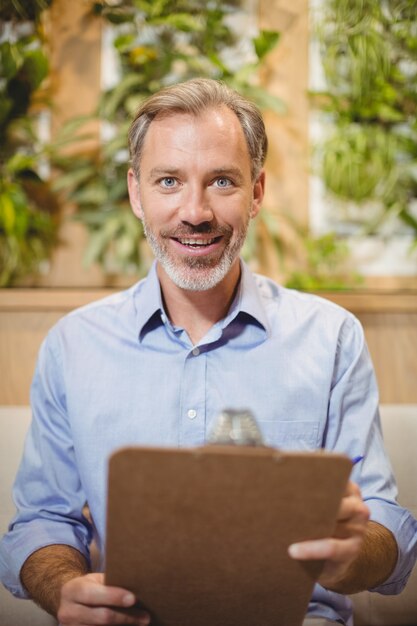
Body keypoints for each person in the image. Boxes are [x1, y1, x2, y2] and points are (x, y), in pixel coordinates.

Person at [0, 78, 416, 626]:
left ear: (257, 192)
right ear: (135, 193)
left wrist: (347, 559)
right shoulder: (73, 346)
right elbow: (43, 520)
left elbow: (384, 527)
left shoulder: (331, 337)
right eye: (168, 181)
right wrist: (64, 588)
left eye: (222, 181)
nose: (194, 212)